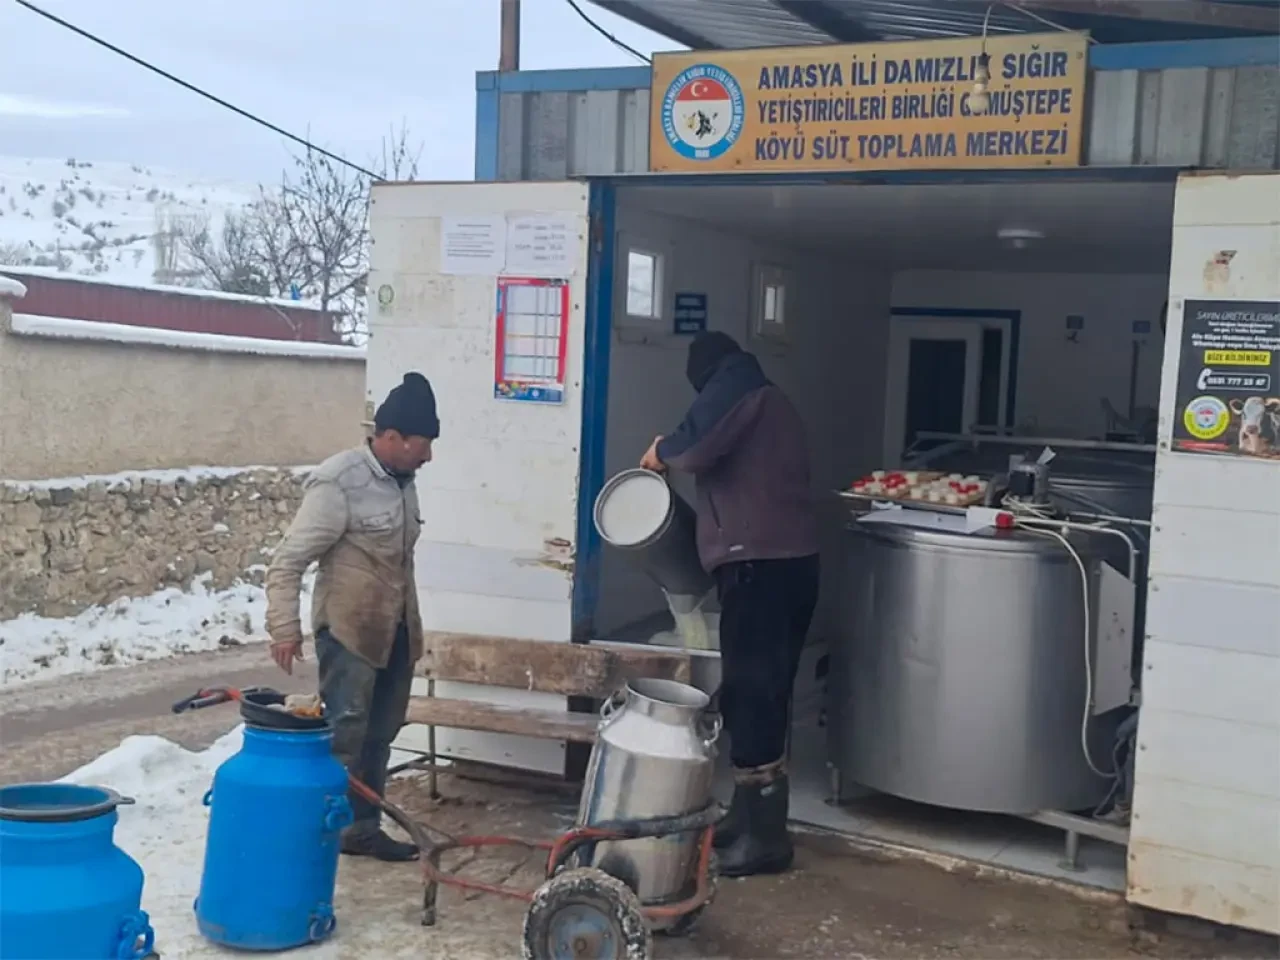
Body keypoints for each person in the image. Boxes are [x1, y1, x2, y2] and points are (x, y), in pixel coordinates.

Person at [640, 331, 819, 878]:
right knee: (758, 694)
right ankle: (748, 817)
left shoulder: (736, 386)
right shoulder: (767, 397)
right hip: (788, 564)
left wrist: (661, 451)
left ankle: (767, 840)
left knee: (755, 694)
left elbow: (695, 446)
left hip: (759, 568)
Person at [265, 372, 439, 862]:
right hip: (350, 635)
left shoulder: (404, 483)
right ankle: (317, 833)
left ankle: (362, 830)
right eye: (422, 445)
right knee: (344, 736)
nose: (428, 456)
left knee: (380, 736)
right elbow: (288, 560)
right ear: (392, 438)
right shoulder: (339, 481)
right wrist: (284, 628)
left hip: (396, 631)